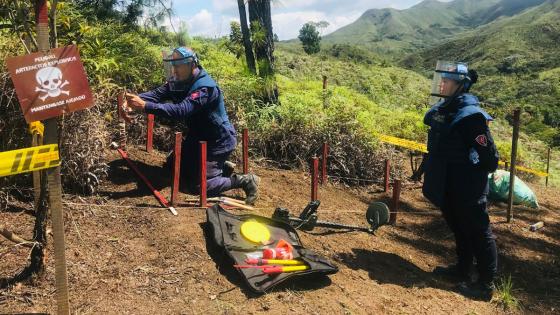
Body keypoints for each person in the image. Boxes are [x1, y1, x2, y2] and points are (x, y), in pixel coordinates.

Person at [124, 46, 260, 205]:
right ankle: (221, 167)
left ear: (191, 64)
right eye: (173, 66)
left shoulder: (205, 88)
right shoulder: (179, 81)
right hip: (198, 136)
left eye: (178, 66)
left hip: (218, 140)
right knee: (173, 166)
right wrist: (134, 100)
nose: (174, 71)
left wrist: (144, 106)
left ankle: (244, 180)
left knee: (198, 186)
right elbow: (156, 94)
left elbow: (181, 111)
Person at [422, 61, 499, 301]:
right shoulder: (444, 109)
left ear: (460, 86)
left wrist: (471, 175)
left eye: (447, 81)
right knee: (458, 225)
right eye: (441, 79)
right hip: (448, 182)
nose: (442, 84)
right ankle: (462, 268)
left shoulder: (471, 116)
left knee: (477, 230)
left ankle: (486, 284)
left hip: (468, 186)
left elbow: (488, 157)